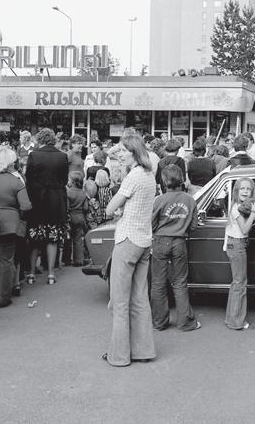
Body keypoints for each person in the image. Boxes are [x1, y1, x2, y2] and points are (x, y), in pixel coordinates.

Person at [102, 134, 157, 367]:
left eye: (124, 151)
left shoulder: (132, 177)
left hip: (127, 240)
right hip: (144, 240)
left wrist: (118, 210)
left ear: (134, 152)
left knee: (119, 301)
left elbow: (109, 209)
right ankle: (143, 350)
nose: (121, 155)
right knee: (140, 298)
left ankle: (119, 355)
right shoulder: (149, 175)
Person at [150, 165, 200, 332]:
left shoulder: (159, 200)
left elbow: (151, 224)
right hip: (179, 242)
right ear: (182, 179)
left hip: (160, 241)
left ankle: (159, 322)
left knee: (158, 283)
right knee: (179, 283)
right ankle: (185, 322)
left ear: (164, 181)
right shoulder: (190, 200)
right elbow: (193, 226)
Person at [0, 145, 32, 305]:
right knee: (5, 260)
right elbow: (26, 206)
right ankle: (2, 297)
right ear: (10, 163)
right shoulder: (15, 181)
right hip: (10, 224)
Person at [25, 128, 69, 285]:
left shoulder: (34, 155)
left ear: (39, 139)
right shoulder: (62, 156)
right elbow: (64, 180)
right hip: (56, 200)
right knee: (53, 238)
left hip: (37, 200)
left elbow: (28, 179)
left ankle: (31, 273)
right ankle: (51, 274)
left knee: (35, 237)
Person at [223, 177, 255, 330]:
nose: (245, 192)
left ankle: (231, 318)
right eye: (242, 189)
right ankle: (237, 322)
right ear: (236, 191)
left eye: (248, 189)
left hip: (235, 244)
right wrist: (254, 214)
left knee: (236, 283)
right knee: (240, 284)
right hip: (237, 245)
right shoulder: (237, 208)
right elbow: (245, 230)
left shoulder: (239, 206)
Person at [66, 170, 89, 267]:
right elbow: (86, 208)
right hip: (80, 217)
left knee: (67, 239)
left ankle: (67, 259)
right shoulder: (83, 193)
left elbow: (66, 207)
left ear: (73, 182)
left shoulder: (68, 192)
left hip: (70, 217)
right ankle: (78, 260)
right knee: (78, 239)